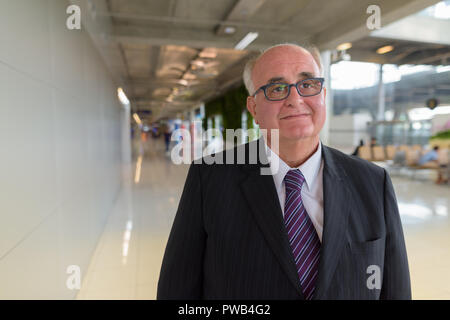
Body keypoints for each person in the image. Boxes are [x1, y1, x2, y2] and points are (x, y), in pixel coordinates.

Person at [157, 44, 411, 300]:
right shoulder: (209, 178)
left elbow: (396, 290)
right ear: (254, 108)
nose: (295, 99)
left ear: (323, 94)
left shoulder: (372, 182)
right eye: (276, 88)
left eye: (308, 84)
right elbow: (177, 290)